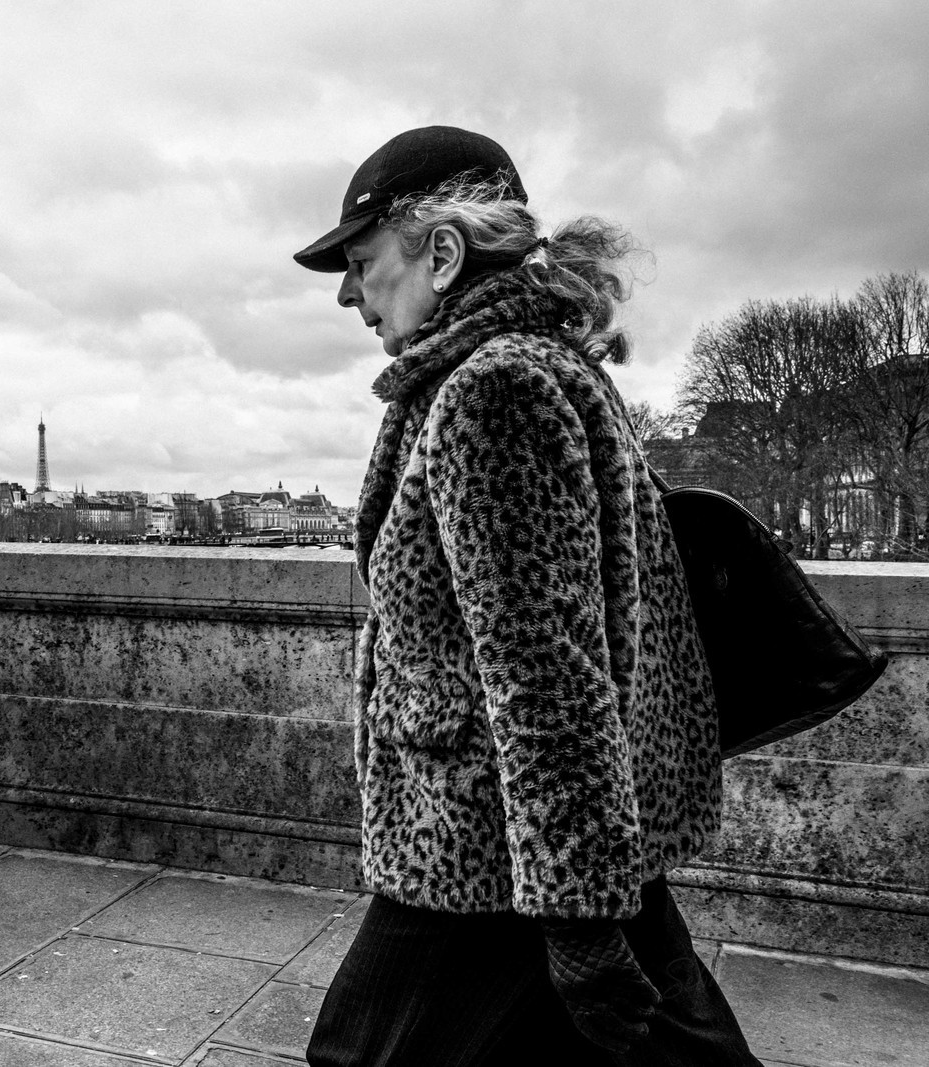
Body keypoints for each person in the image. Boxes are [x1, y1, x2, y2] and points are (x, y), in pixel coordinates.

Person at [292, 127, 761, 1064]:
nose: (347, 292)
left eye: (362, 261)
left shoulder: (493, 390)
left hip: (484, 843)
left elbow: (546, 672)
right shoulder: (539, 366)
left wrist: (578, 917)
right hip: (546, 839)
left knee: (360, 1054)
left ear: (443, 252)